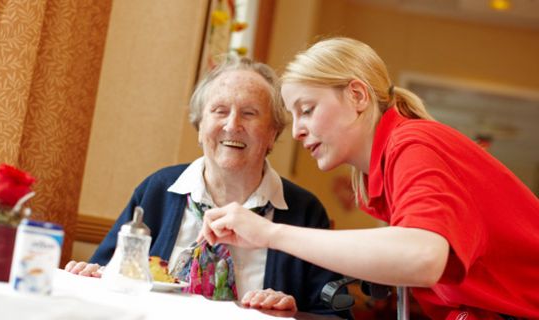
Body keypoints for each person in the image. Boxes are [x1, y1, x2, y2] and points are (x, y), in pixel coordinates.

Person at [200, 37, 539, 320]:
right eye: (293, 116)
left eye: (307, 109)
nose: (299, 130)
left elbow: (422, 257)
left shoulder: (414, 144)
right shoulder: (381, 174)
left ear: (357, 96)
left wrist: (268, 233)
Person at [65, 56, 351, 317]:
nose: (232, 125)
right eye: (219, 110)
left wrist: (292, 312)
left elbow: (334, 316)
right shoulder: (157, 190)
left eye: (250, 113)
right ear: (200, 125)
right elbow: (107, 277)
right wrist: (90, 277)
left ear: (272, 134)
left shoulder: (305, 212)